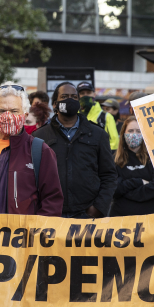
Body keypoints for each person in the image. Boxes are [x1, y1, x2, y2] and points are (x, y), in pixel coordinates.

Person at [0, 83, 63, 216]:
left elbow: (52, 202)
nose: (7, 116)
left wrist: (33, 229)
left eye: (14, 111)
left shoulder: (40, 151)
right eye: (1, 111)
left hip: (18, 230)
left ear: (25, 115)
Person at [33, 82, 116, 218]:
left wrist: (99, 208)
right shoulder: (39, 136)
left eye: (74, 97)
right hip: (51, 215)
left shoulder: (98, 134)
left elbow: (109, 175)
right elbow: (32, 176)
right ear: (55, 104)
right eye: (64, 96)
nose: (70, 100)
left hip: (87, 214)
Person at [110, 117, 154, 216]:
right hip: (121, 217)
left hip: (150, 217)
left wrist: (126, 191)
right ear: (124, 134)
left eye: (138, 131)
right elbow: (114, 189)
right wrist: (139, 182)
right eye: (130, 131)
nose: (134, 134)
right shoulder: (115, 160)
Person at [76, 81, 119, 150]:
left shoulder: (106, 117)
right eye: (82, 93)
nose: (85, 96)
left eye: (88, 93)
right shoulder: (74, 116)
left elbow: (114, 143)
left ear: (94, 94)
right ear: (78, 96)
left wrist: (100, 152)